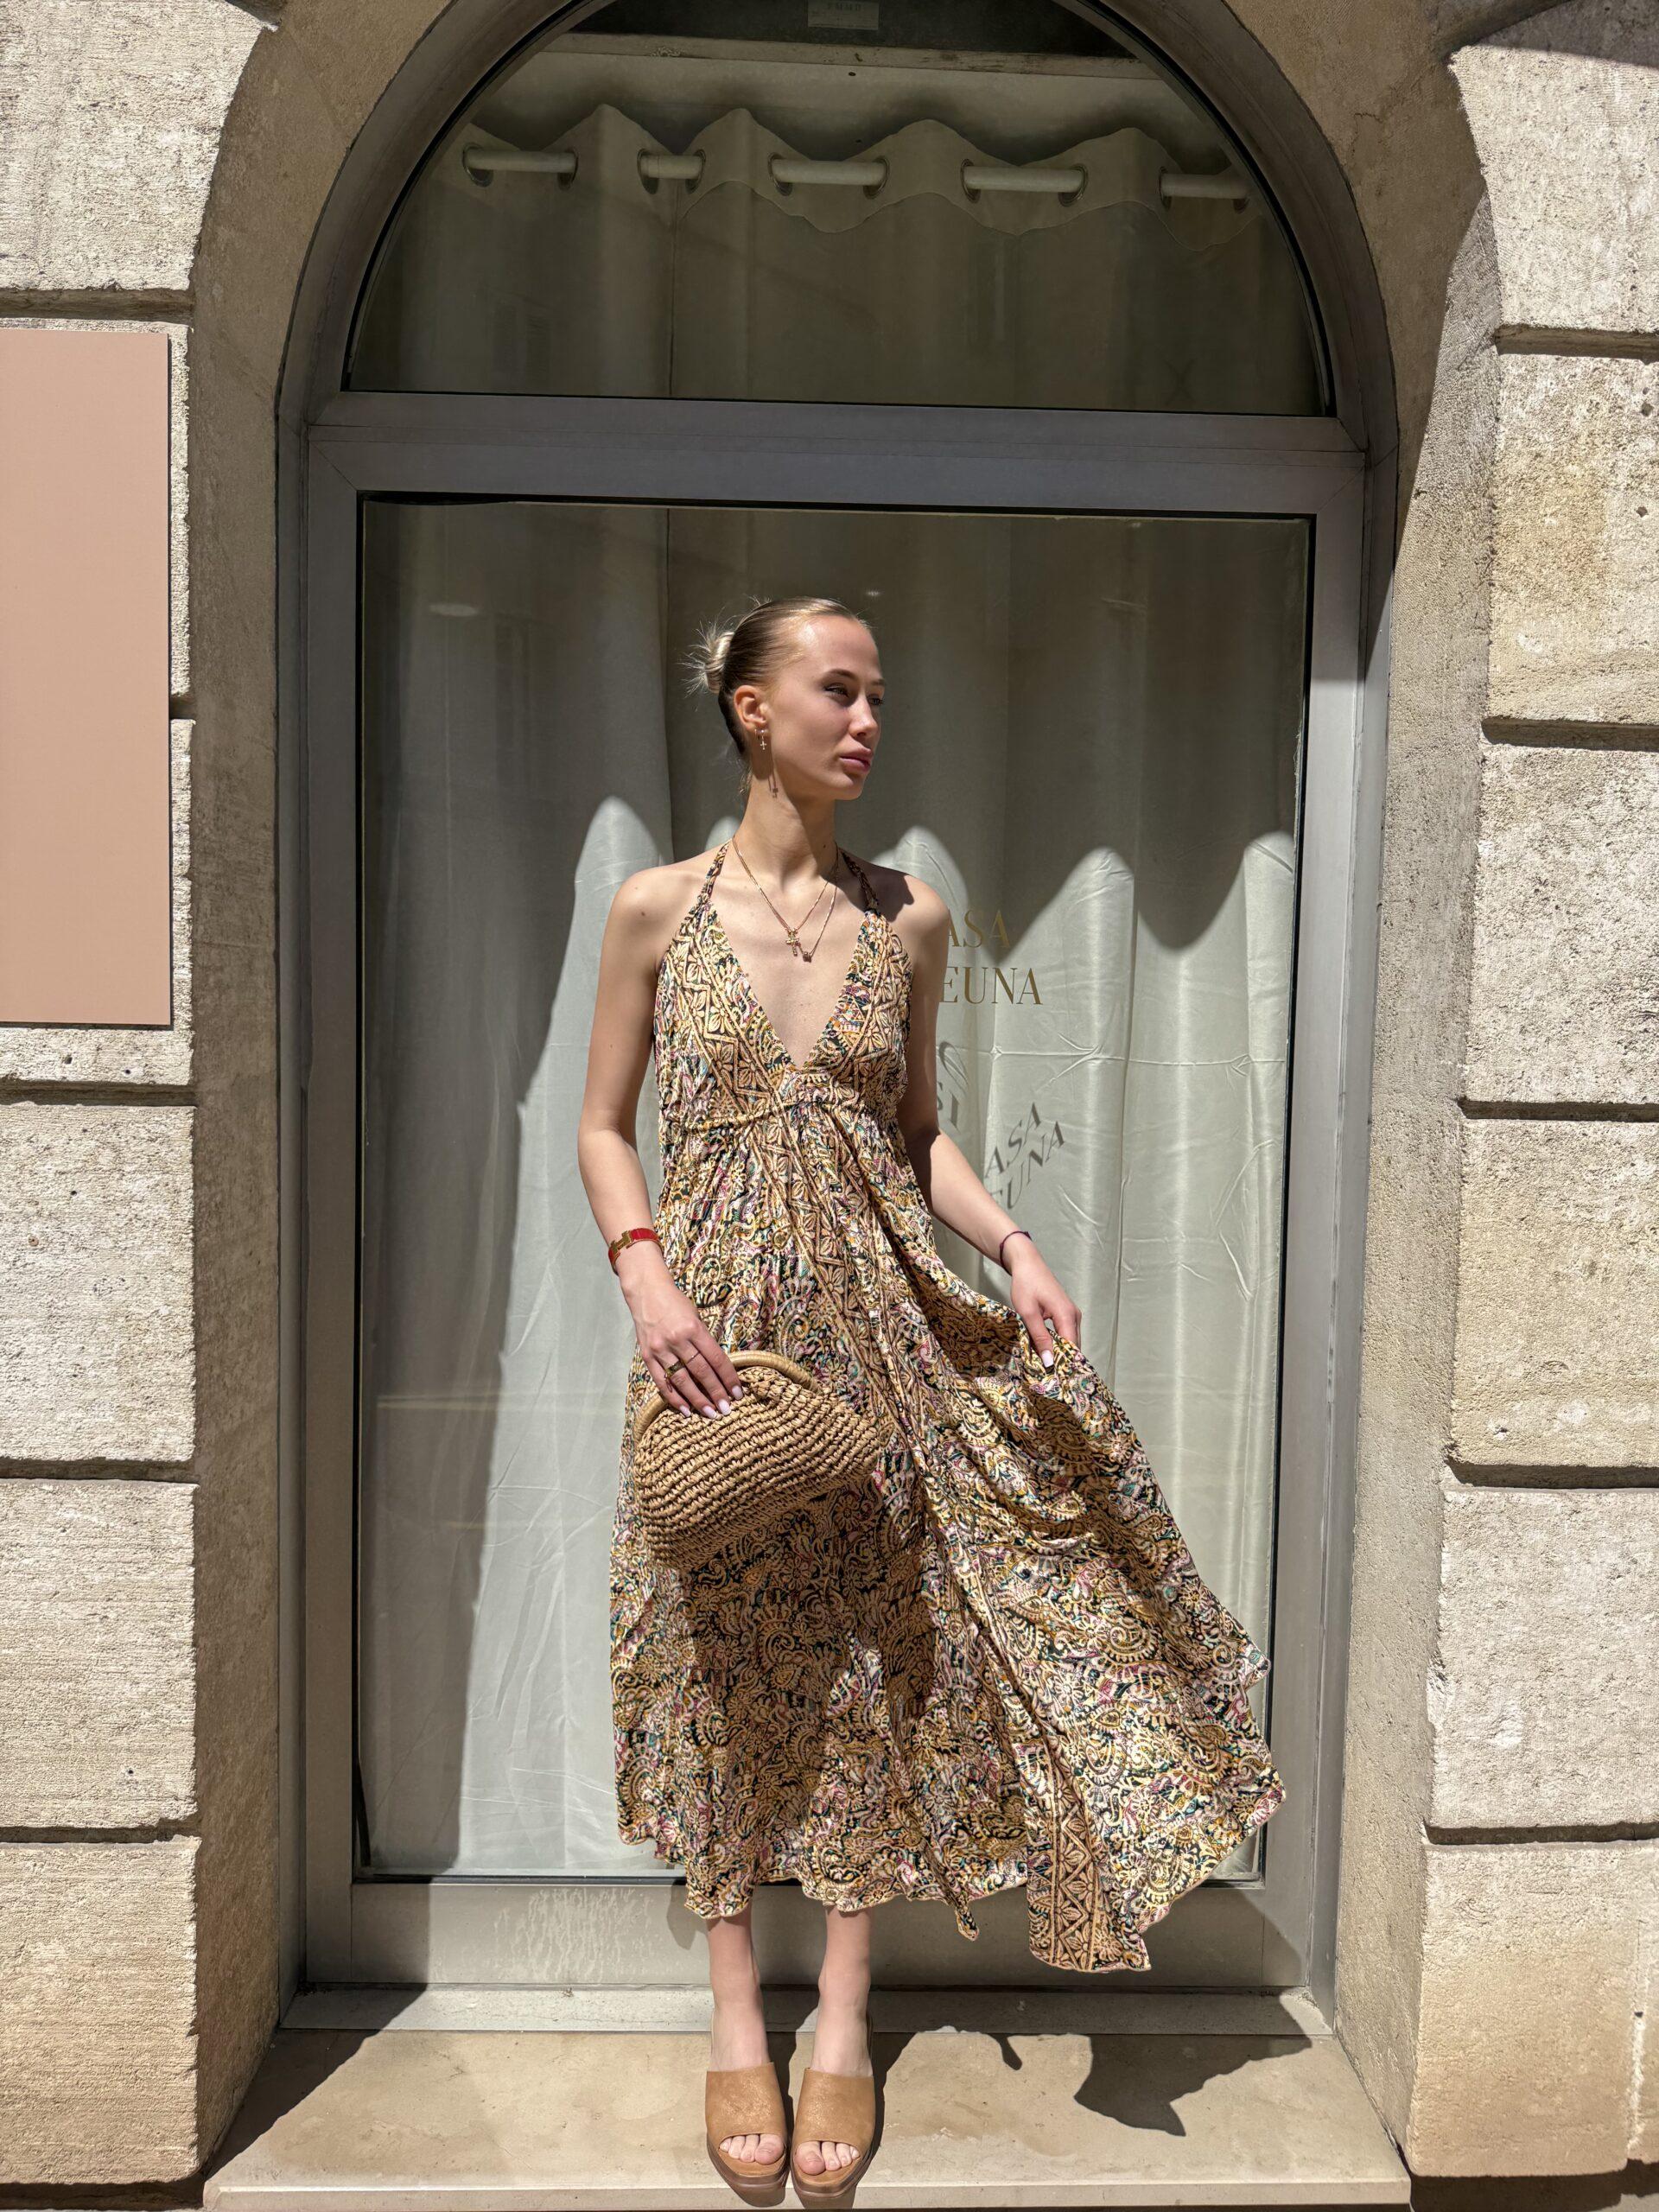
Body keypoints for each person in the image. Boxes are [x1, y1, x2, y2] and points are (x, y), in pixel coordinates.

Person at [576, 594, 1286, 2201]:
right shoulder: (653, 909)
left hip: (878, 1341)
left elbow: (915, 1134)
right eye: (837, 690)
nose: (867, 721)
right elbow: (603, 1123)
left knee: (869, 1666)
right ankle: (732, 2013)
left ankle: (841, 2009)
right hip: (714, 1349)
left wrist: (1014, 1245)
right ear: (751, 710)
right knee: (711, 1652)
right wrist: (647, 1278)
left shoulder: (909, 918)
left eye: (878, 696)